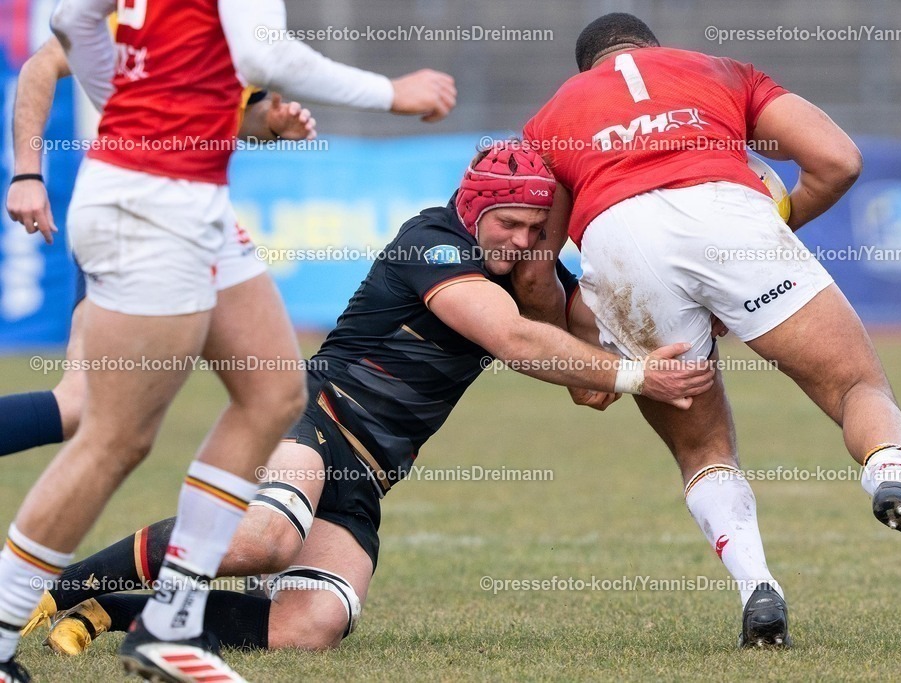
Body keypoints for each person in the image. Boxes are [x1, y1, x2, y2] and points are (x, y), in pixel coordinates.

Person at [20, 144, 715, 659]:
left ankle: (109, 608)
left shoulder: (528, 269)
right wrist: (636, 375)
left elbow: (589, 387)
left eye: (537, 229)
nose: (521, 240)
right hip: (318, 416)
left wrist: (573, 284)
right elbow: (512, 339)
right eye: (510, 224)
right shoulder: (433, 242)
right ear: (476, 208)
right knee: (269, 540)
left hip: (367, 472)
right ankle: (47, 587)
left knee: (310, 626)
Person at [516, 13, 901, 648]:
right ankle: (893, 476)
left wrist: (574, 364)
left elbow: (535, 271)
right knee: (857, 384)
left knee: (701, 450)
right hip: (730, 212)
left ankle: (758, 589)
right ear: (652, 49)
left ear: (585, 70)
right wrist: (777, 222)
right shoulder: (716, 70)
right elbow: (838, 160)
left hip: (619, 242)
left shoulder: (551, 117)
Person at [0, 0, 458, 679]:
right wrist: (393, 93)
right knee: (110, 433)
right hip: (151, 201)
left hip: (188, 198)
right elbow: (266, 56)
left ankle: (172, 618)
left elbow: (73, 18)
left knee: (273, 393)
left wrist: (144, 110)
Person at [2, 36, 315, 459]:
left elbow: (239, 117)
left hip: (199, 217)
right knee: (99, 417)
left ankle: (212, 526)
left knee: (274, 396)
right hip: (130, 209)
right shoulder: (145, 10)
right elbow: (42, 64)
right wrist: (26, 175)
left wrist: (272, 123)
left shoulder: (235, 23)